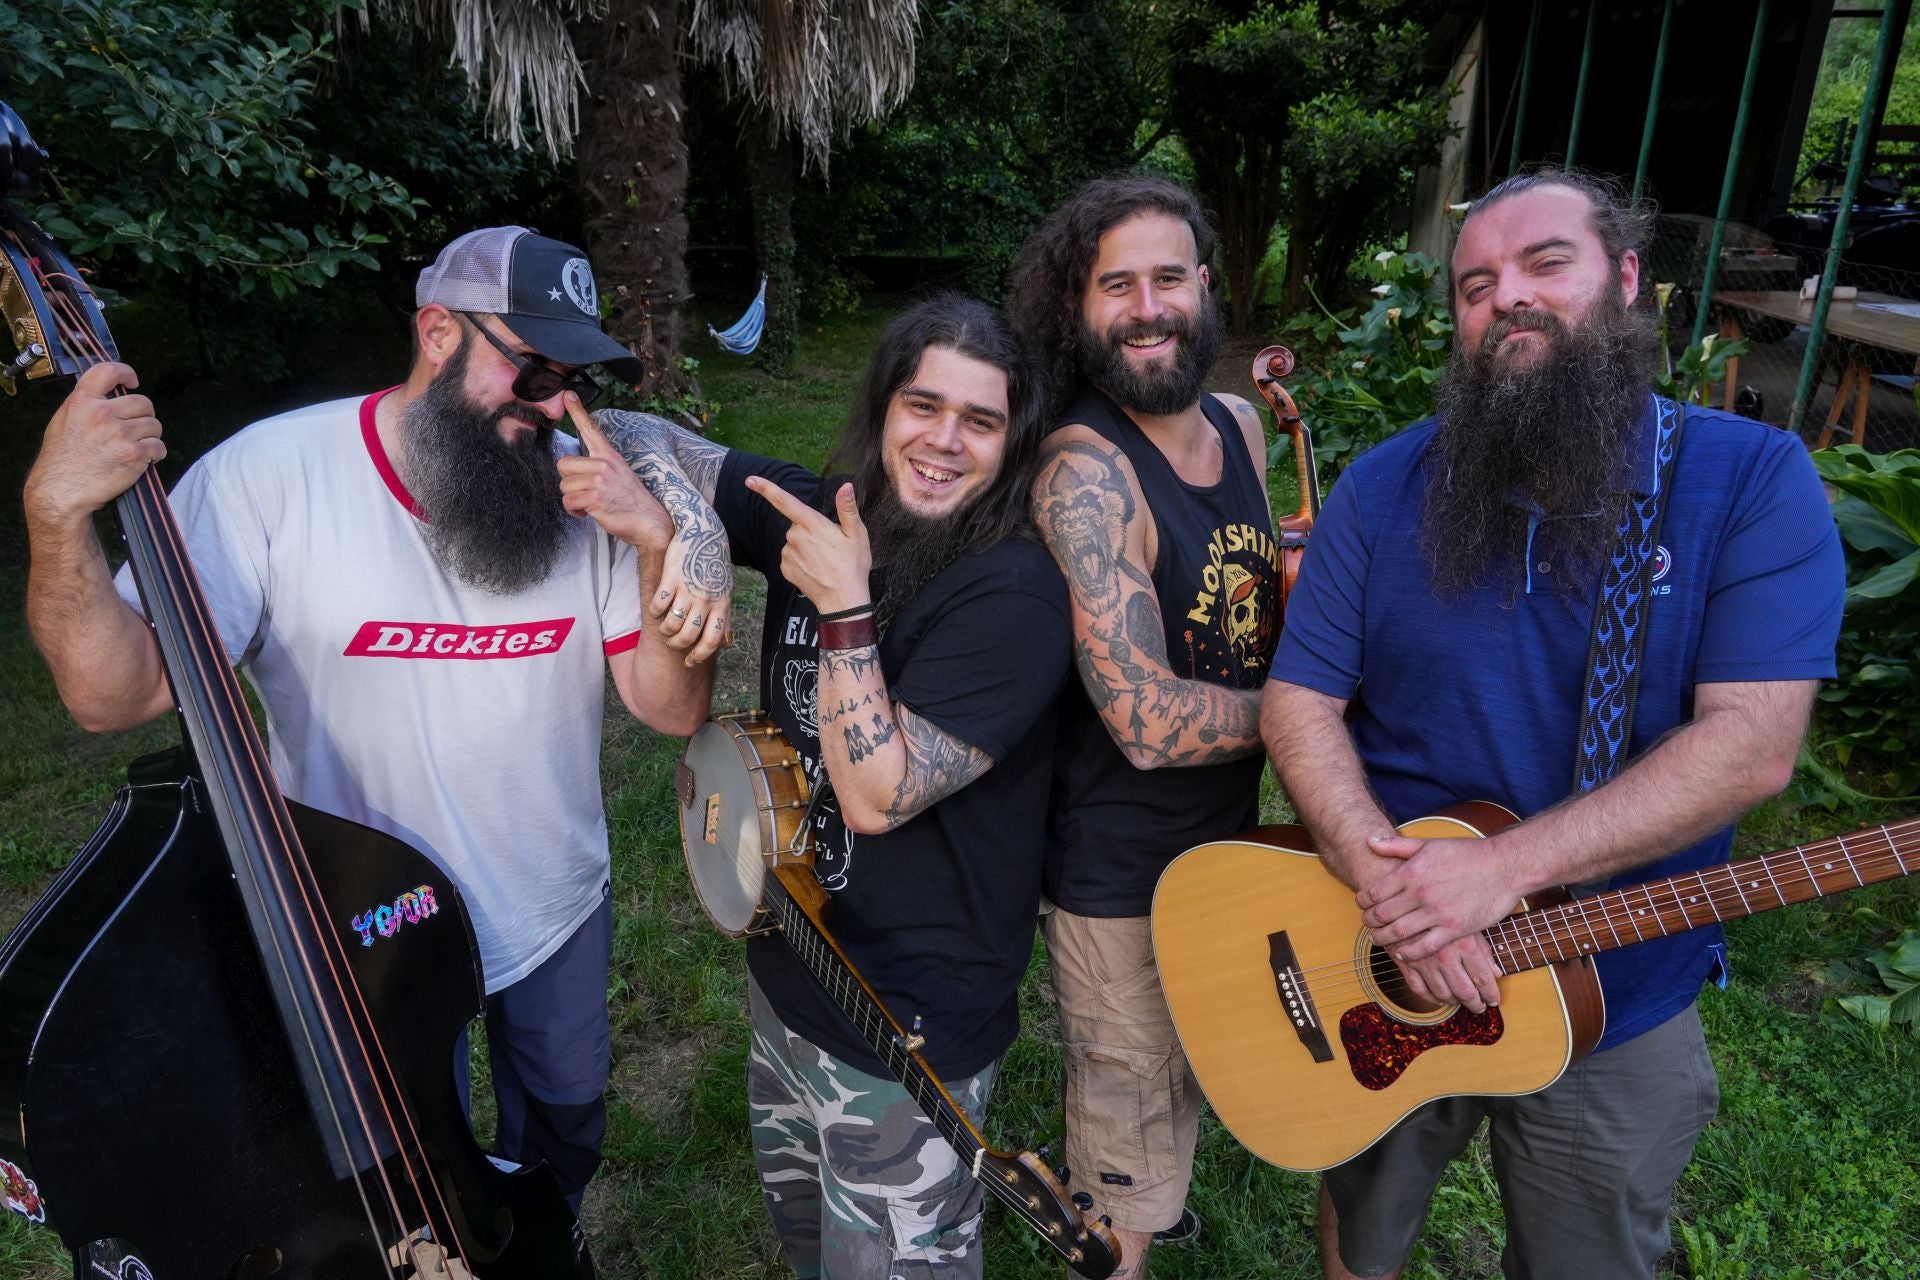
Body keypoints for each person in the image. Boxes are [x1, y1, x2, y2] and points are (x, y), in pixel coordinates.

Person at [22, 226, 724, 1213]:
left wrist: (659, 548)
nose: (556, 408)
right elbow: (112, 694)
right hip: (360, 907)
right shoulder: (271, 476)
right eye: (531, 372)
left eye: (575, 380)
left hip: (551, 897)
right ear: (439, 330)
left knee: (565, 1125)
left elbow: (670, 706)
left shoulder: (581, 494)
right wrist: (58, 519)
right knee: (402, 1161)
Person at [1263, 169, 1846, 1279]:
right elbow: (1301, 698)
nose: (1507, 300)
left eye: (1546, 264)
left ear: (1624, 280)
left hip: (1610, 991)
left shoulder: (1750, 482)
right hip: (1382, 952)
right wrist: (1388, 885)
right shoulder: (1385, 488)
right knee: (1359, 1224)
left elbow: (1755, 742)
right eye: (1476, 284)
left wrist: (1496, 876)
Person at [599, 295, 1071, 1278]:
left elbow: (878, 795)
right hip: (790, 972)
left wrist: (846, 606)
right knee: (810, 1240)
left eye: (979, 421)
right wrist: (689, 530)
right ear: (883, 408)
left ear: (1011, 442)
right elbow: (627, 429)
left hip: (912, 1031)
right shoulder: (816, 514)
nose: (944, 440)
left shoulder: (1015, 593)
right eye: (922, 405)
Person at [1006, 174, 1282, 1275]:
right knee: (1126, 1129)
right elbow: (1147, 720)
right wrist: (1310, 721)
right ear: (1080, 309)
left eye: (1168, 276)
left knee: (1185, 1076)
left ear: (1205, 284)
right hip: (1117, 869)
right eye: (1115, 285)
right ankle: (1120, 1234)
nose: (1147, 304)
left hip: (1224, 838)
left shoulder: (1244, 426)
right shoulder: (1084, 468)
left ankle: (1148, 1210)